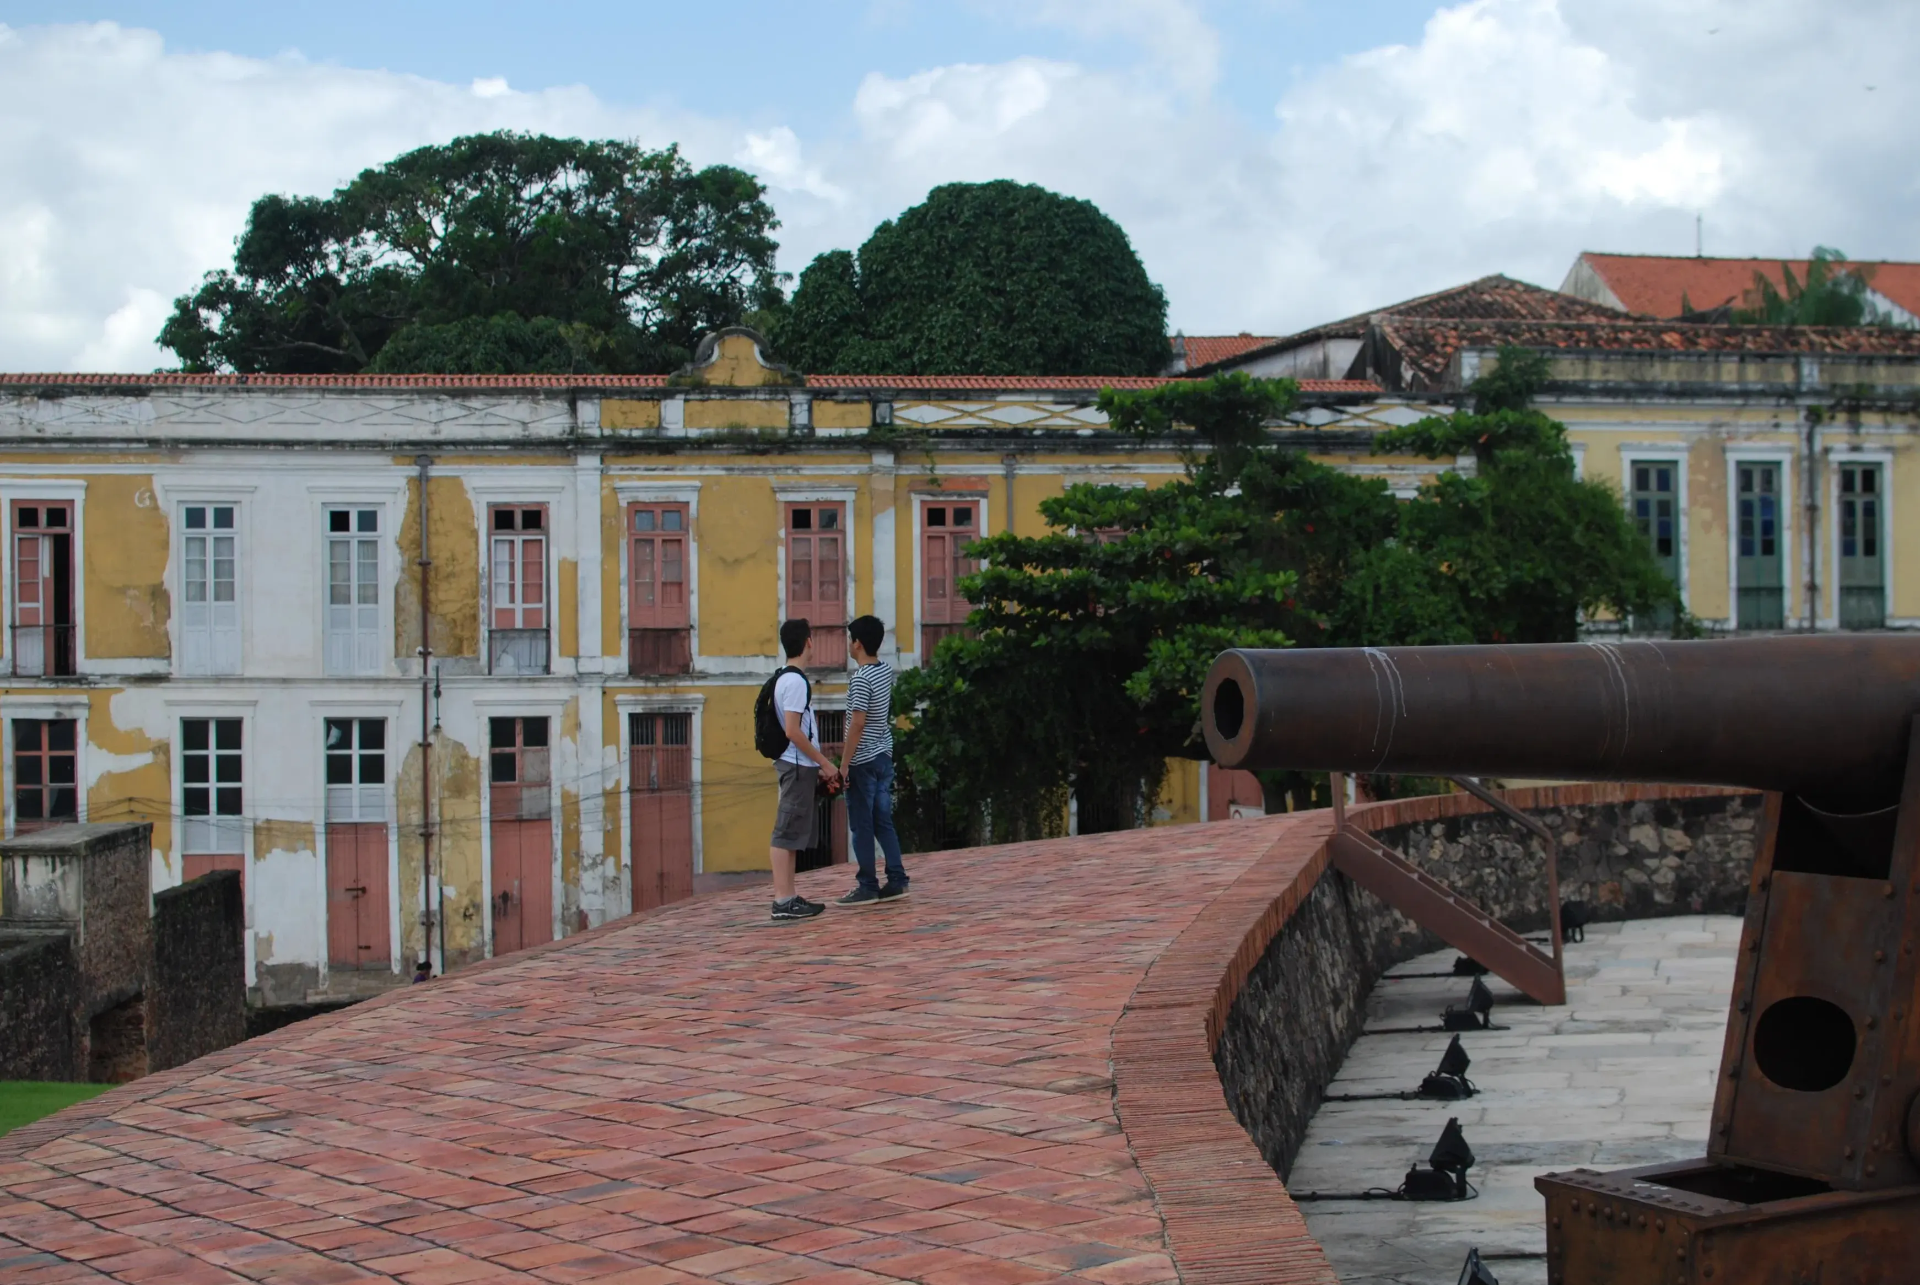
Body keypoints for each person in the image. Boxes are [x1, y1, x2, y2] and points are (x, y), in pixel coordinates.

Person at [835, 615, 910, 907]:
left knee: (861, 825)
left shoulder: (861, 679)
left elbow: (857, 724)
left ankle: (867, 885)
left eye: (850, 639)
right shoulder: (884, 672)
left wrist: (844, 765)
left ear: (858, 643)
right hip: (883, 756)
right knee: (883, 822)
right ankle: (897, 878)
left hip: (863, 761)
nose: (848, 644)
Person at [769, 619, 837, 922]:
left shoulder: (785, 678)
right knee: (785, 832)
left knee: (792, 833)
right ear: (808, 642)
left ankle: (789, 897)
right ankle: (783, 900)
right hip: (796, 765)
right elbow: (794, 732)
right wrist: (823, 762)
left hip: (796, 764)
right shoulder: (795, 682)